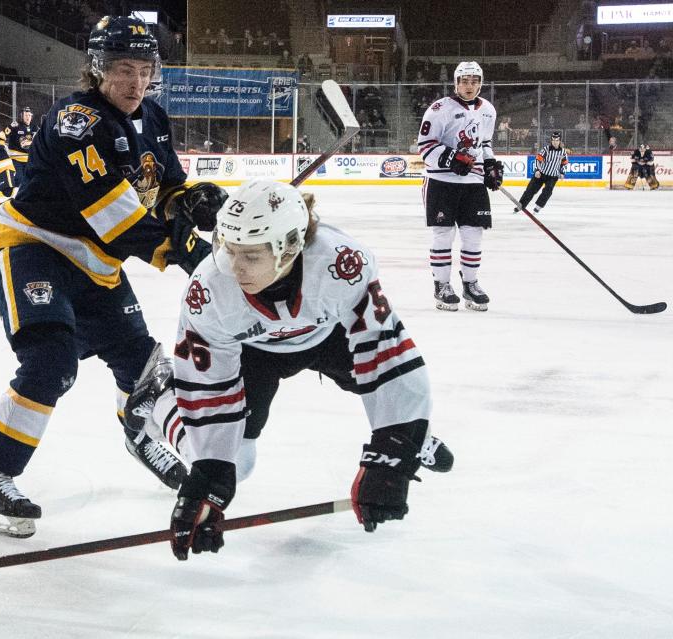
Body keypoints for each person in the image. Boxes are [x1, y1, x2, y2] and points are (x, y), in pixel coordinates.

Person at [0, 15, 227, 539]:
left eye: (144, 69)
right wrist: (183, 248)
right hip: (35, 249)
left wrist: (191, 198)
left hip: (96, 266)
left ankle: (139, 433)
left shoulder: (152, 116)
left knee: (144, 369)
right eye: (122, 69)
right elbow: (111, 215)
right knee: (52, 362)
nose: (134, 82)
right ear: (98, 69)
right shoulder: (75, 122)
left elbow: (165, 183)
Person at [122, 180, 452, 560]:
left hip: (326, 333)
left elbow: (386, 356)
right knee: (238, 465)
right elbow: (209, 389)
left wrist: (394, 449)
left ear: (291, 247)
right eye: (228, 249)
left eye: (250, 256)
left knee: (372, 381)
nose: (234, 268)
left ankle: (413, 430)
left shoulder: (340, 263)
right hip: (255, 349)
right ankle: (162, 400)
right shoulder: (210, 290)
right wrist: (209, 475)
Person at [416, 60, 502, 312]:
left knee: (474, 234)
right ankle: (442, 285)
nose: (469, 86)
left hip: (473, 182)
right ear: (456, 83)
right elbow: (425, 146)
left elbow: (485, 143)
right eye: (464, 81)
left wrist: (490, 165)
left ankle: (470, 283)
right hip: (441, 181)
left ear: (481, 83)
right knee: (444, 233)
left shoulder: (488, 110)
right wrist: (452, 158)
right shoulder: (439, 108)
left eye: (474, 81)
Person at [518, 131, 569, 214]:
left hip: (553, 176)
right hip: (541, 174)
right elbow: (538, 159)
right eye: (553, 140)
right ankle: (521, 205)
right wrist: (537, 170)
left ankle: (538, 207)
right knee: (530, 190)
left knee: (548, 191)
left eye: (557, 140)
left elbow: (565, 164)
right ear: (551, 140)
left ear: (560, 141)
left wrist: (562, 173)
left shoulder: (563, 152)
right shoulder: (546, 149)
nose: (555, 142)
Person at [4, 106, 37, 188]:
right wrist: (1, 143)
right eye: (26, 115)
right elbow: (3, 134)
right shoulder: (15, 125)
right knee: (19, 178)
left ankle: (26, 198)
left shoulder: (35, 127)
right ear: (21, 116)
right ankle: (16, 197)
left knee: (30, 179)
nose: (28, 117)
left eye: (29, 115)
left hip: (29, 159)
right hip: (16, 158)